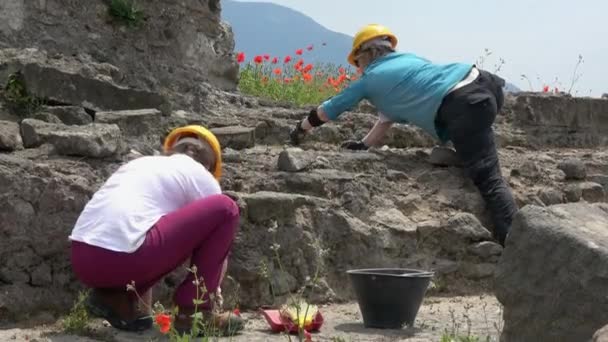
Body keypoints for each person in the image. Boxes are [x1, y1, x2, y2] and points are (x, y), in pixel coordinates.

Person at [289, 24, 517, 246]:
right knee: (472, 143)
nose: (357, 67)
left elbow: (329, 109)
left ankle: (515, 240)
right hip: (486, 84)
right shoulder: (409, 61)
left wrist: (302, 127)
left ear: (365, 55)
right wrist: (363, 144)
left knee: (488, 178)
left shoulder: (369, 79)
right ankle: (470, 153)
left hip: (464, 102)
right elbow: (384, 120)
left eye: (357, 62)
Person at [69, 125, 244, 335]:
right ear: (209, 165)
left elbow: (141, 229)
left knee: (142, 238)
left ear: (171, 150)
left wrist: (142, 310)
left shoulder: (139, 164)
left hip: (82, 259)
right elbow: (216, 251)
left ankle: (117, 299)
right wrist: (210, 296)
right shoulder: (202, 176)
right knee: (227, 208)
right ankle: (193, 314)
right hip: (123, 259)